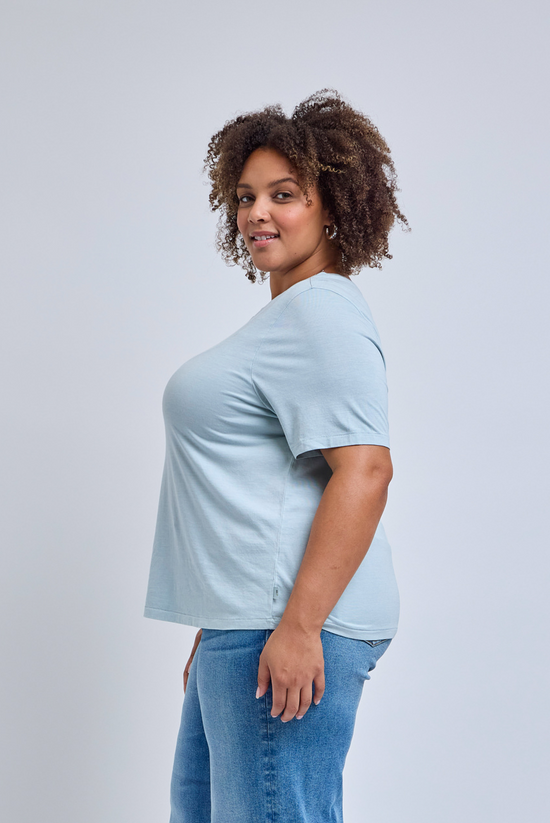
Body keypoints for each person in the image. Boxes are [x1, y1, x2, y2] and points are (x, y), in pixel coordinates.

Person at [144, 88, 410, 823]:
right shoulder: (288, 318)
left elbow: (365, 469)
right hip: (244, 623)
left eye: (284, 194)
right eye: (247, 195)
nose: (258, 212)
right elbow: (263, 480)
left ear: (333, 205)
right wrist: (215, 619)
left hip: (287, 625)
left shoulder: (321, 310)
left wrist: (296, 627)